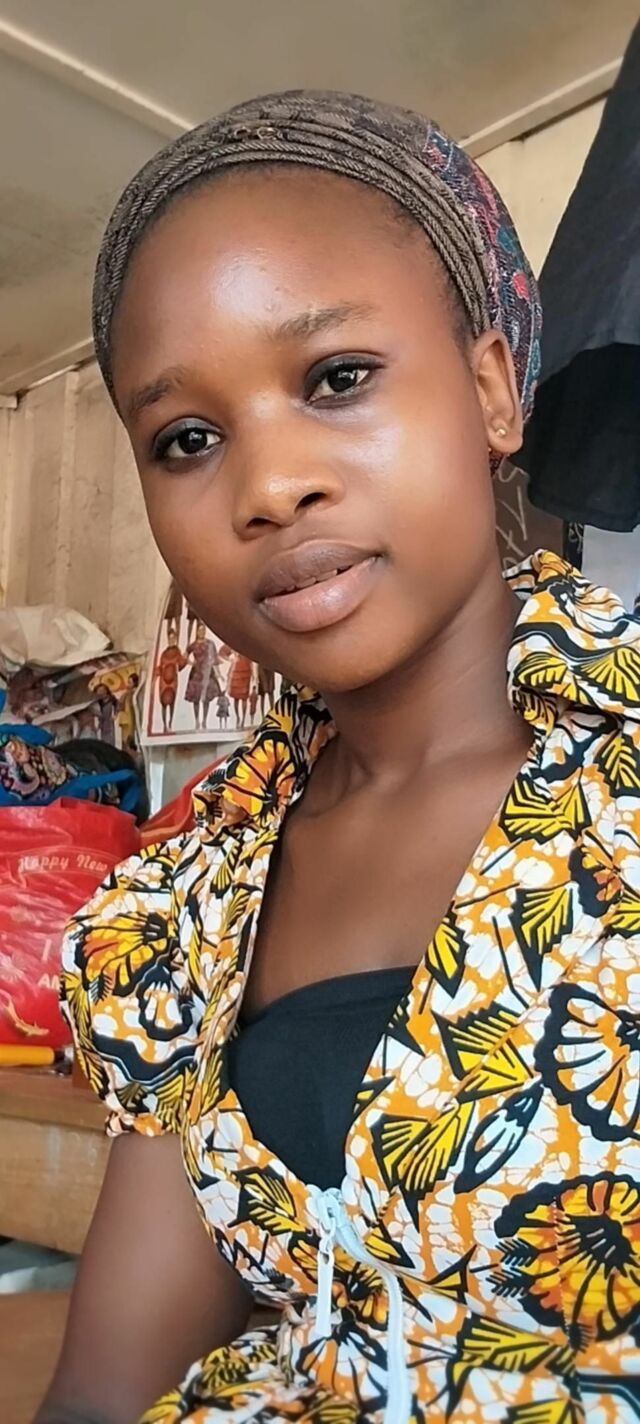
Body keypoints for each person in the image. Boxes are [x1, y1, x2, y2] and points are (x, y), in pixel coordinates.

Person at [41, 91, 640, 1424]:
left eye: (336, 378)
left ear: (492, 389)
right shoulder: (184, 906)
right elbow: (107, 1385)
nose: (268, 486)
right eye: (187, 441)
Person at [155, 628, 188, 734]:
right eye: (170, 638)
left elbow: (180, 665)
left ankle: (170, 723)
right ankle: (164, 724)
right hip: (163, 681)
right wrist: (155, 676)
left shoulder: (177, 651)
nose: (171, 640)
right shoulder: (164, 653)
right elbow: (160, 666)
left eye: (173, 638)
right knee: (163, 703)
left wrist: (185, 659)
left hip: (173, 680)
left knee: (172, 701)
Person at [184, 622, 213, 732]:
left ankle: (204, 720)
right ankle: (196, 720)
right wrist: (191, 662)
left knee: (206, 698)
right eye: (200, 630)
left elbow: (213, 657)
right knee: (195, 697)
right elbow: (185, 655)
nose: (202, 632)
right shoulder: (193, 645)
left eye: (203, 630)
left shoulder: (209, 643)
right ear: (197, 632)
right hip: (196, 672)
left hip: (206, 671)